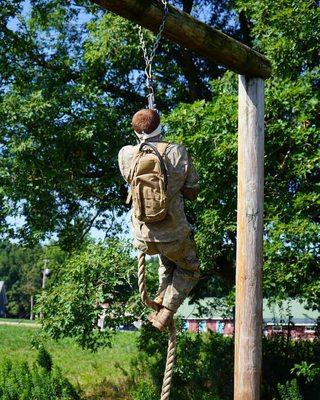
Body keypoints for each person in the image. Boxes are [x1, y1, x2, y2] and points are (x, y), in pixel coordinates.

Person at [118, 109, 200, 331]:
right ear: (160, 127)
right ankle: (166, 312)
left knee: (168, 260)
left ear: (135, 131)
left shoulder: (126, 154)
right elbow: (193, 192)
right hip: (173, 235)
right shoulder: (176, 152)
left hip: (144, 237)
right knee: (190, 269)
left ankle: (159, 301)